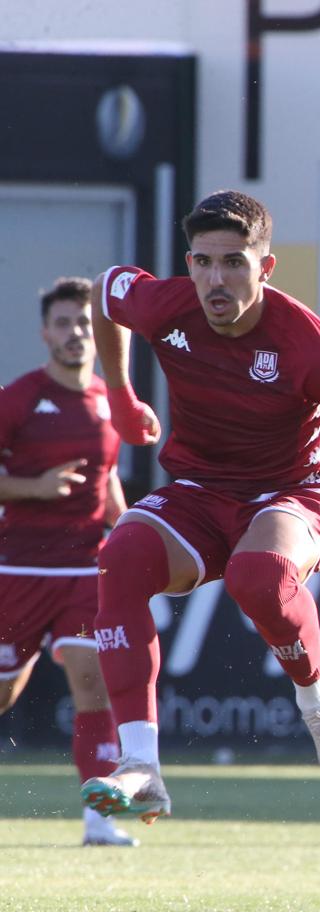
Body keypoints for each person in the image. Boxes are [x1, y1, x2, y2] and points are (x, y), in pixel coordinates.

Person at [82, 190, 320, 828]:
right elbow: (102, 292)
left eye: (234, 262)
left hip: (295, 494)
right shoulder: (166, 305)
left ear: (266, 266)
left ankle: (317, 699)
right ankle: (141, 766)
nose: (215, 279)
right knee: (120, 557)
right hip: (201, 491)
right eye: (202, 261)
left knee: (257, 578)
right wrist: (119, 396)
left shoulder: (309, 346)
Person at [0, 277, 134, 846]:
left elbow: (107, 482)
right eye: (64, 324)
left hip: (86, 567)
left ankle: (99, 820)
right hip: (19, 570)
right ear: (45, 333)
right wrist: (34, 486)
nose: (76, 333)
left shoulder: (110, 399)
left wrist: (129, 534)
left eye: (84, 323)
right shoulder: (21, 397)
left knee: (93, 681)